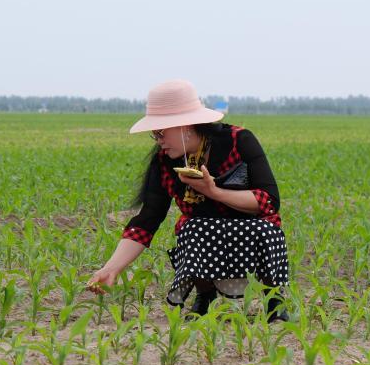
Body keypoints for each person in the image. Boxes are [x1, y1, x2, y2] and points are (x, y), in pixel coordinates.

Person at [88, 79, 289, 321]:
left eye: (161, 131)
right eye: (154, 133)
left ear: (185, 126)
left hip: (252, 226)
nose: (157, 138)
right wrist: (112, 268)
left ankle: (275, 299)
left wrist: (214, 192)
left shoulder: (239, 141)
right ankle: (205, 295)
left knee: (266, 230)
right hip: (205, 233)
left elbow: (269, 201)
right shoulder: (165, 161)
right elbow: (147, 220)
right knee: (191, 228)